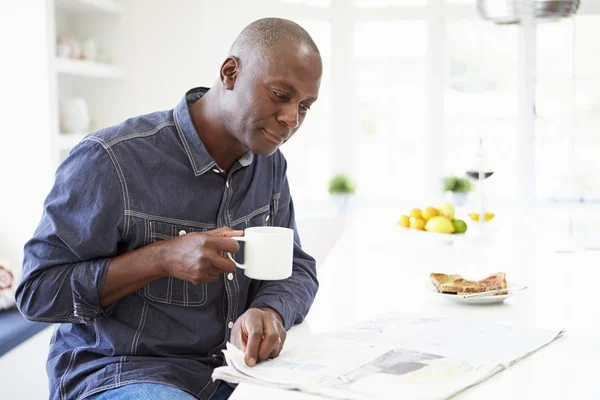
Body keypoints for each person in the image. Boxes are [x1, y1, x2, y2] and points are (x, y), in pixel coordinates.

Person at [16, 17, 322, 400]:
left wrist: (269, 311)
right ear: (230, 73)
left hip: (234, 372)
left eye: (305, 107)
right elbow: (36, 292)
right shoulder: (111, 160)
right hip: (124, 372)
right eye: (280, 95)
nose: (291, 119)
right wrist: (162, 258)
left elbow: (296, 267)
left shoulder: (268, 163)